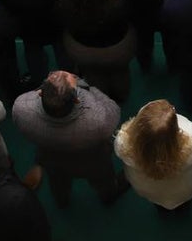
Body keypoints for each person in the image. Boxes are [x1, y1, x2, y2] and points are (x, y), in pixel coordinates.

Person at [11, 70, 129, 208]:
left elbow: (31, 96)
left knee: (58, 184)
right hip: (94, 161)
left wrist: (49, 87)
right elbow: (113, 109)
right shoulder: (99, 121)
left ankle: (62, 202)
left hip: (51, 159)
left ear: (41, 93)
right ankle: (108, 198)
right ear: (77, 100)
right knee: (104, 183)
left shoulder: (21, 108)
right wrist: (86, 88)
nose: (59, 73)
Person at [57, 0, 135, 104]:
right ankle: (121, 96)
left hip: (82, 52)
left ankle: (102, 98)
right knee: (120, 73)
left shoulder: (63, 6)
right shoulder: (117, 2)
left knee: (93, 75)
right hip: (118, 51)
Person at [114, 99, 192, 212]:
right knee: (184, 202)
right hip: (184, 188)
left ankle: (162, 210)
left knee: (157, 200)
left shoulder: (122, 144)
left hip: (148, 188)